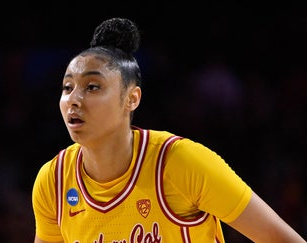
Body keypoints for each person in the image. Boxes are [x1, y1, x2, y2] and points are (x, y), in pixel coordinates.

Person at [31, 17, 306, 243]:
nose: (74, 99)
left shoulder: (182, 162)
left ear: (132, 98)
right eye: (67, 88)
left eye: (92, 87)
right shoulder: (53, 182)